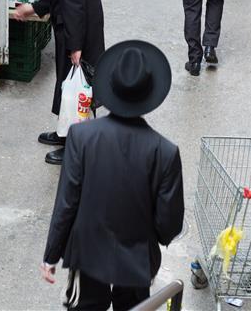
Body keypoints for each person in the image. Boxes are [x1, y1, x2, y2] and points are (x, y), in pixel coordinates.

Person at [42, 40, 183, 311]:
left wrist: (52, 255)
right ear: (150, 95)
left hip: (88, 250)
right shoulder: (165, 152)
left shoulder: (81, 137)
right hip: (138, 257)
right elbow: (169, 225)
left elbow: (67, 201)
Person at [12, 0, 105, 165]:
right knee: (68, 84)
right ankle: (65, 135)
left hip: (77, 28)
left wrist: (75, 44)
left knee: (79, 88)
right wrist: (35, 8)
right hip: (79, 24)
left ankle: (76, 146)